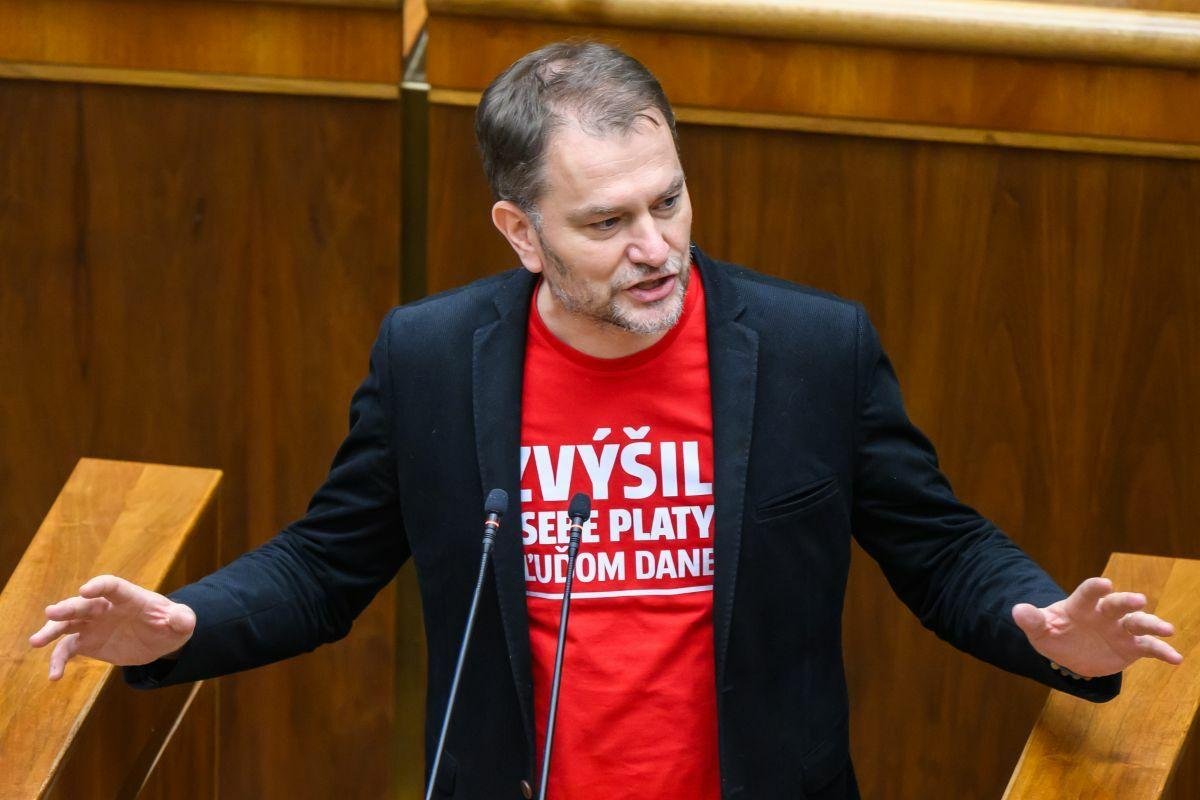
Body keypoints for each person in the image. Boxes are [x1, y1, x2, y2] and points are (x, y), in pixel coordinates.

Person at [30, 42, 1181, 800]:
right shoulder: (432, 360)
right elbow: (326, 563)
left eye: (668, 199)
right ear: (519, 231)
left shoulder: (809, 350)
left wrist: (1049, 631)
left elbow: (940, 546)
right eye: (605, 221)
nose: (655, 246)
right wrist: (184, 623)